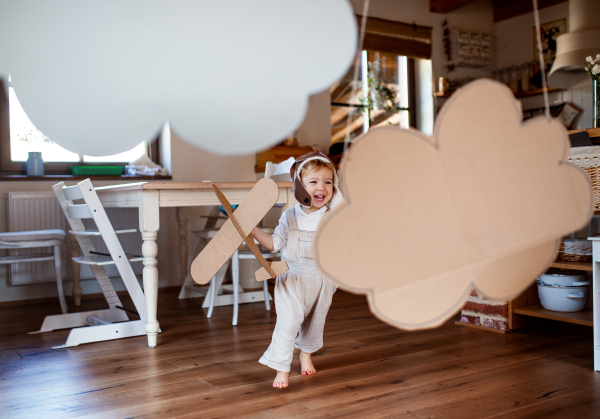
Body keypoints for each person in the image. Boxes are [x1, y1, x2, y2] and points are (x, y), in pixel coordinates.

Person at [252, 151, 343, 388]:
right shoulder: (289, 216)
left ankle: (305, 354)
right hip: (291, 279)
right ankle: (281, 368)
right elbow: (274, 244)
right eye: (313, 182)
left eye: (328, 182)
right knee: (289, 322)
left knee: (315, 322)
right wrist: (253, 231)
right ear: (300, 186)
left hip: (322, 280)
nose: (321, 187)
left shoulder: (333, 216)